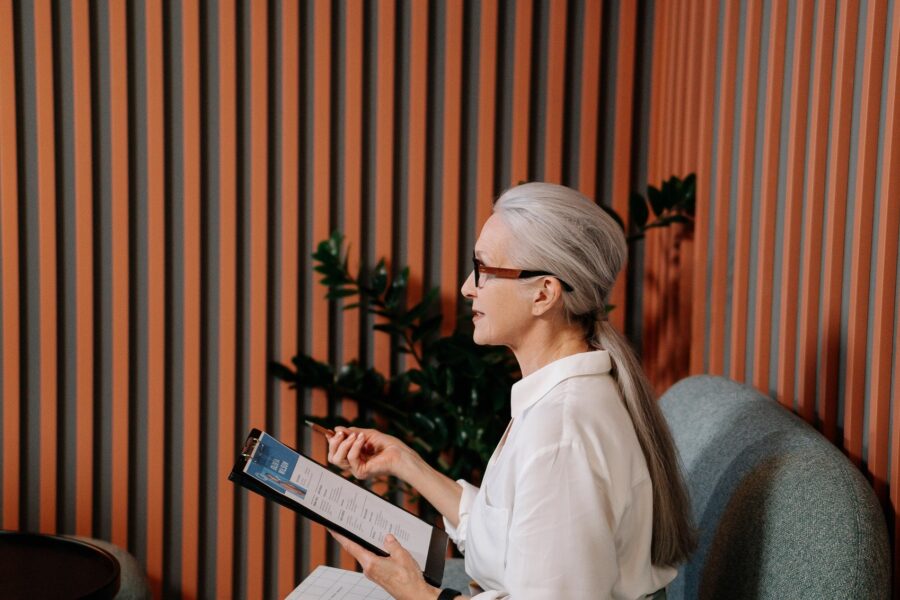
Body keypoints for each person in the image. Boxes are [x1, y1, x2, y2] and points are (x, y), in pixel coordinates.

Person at [326, 182, 696, 600]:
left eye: (483, 269)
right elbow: (510, 534)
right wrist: (405, 463)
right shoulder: (557, 403)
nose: (468, 287)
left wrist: (417, 593)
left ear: (543, 293)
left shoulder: (561, 432)